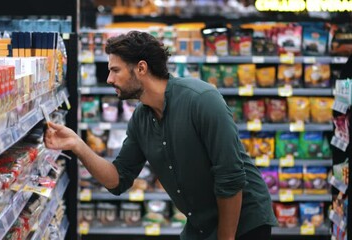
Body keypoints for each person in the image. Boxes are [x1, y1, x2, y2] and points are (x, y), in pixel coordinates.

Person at [44, 31, 277, 240]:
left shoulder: (201, 99)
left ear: (141, 68)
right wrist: (77, 144)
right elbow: (118, 180)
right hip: (201, 224)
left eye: (115, 70)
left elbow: (231, 178)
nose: (109, 79)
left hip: (244, 223)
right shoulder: (141, 119)